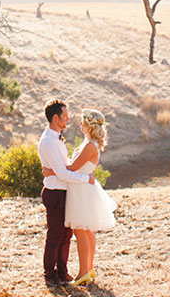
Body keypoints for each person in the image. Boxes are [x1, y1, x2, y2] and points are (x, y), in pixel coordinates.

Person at [43, 108, 116, 287]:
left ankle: (83, 272)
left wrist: (50, 170)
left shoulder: (90, 145)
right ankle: (88, 269)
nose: (79, 124)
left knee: (80, 230)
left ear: (89, 125)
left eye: (83, 121)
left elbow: (72, 168)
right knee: (86, 230)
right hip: (81, 188)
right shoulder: (89, 143)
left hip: (81, 190)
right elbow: (72, 165)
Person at [38, 99, 95, 288]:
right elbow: (63, 172)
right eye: (65, 115)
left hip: (64, 191)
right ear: (56, 118)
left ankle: (62, 272)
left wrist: (53, 170)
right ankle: (49, 276)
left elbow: (63, 165)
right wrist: (85, 178)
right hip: (55, 192)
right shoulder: (48, 142)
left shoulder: (57, 139)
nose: (68, 118)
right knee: (54, 236)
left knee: (66, 235)